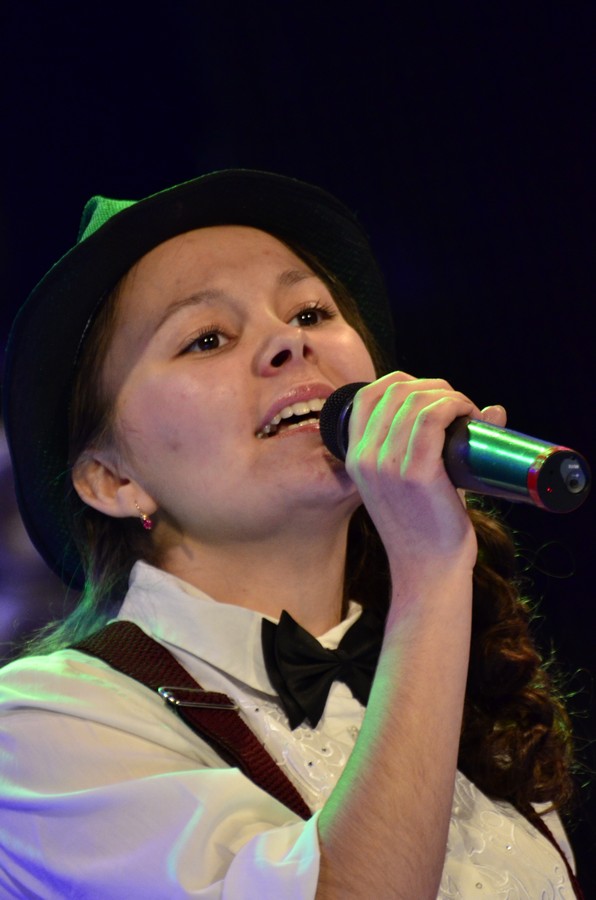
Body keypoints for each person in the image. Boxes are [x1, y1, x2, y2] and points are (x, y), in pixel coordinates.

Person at [0, 170, 581, 898]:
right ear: (113, 480)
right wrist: (431, 574)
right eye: (206, 338)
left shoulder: (463, 710)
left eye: (309, 312)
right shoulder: (43, 727)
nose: (287, 342)